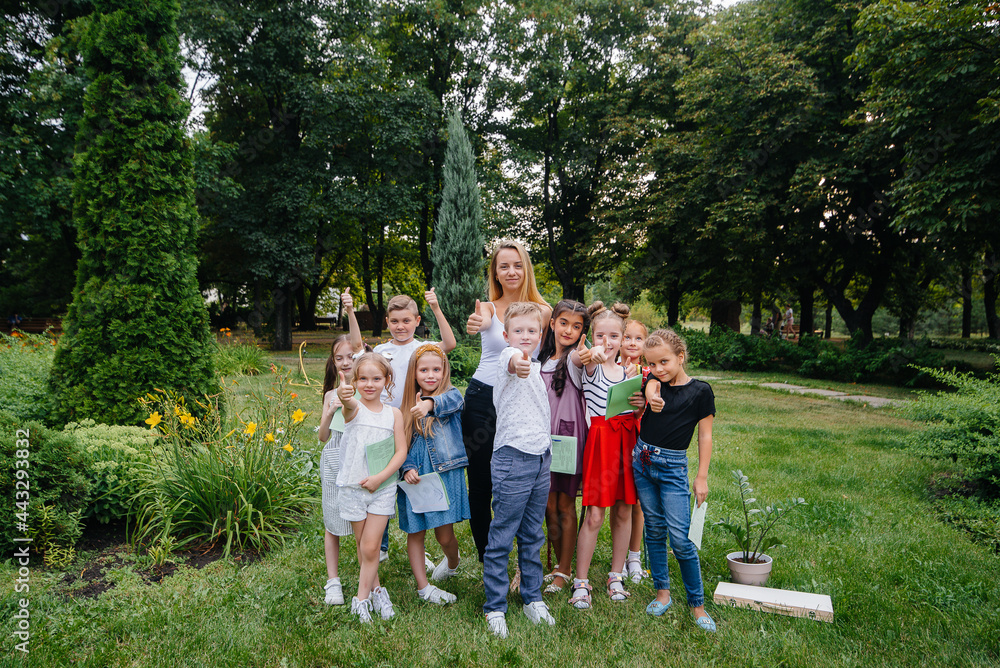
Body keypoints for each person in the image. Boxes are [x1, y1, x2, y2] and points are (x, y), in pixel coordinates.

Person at [343, 287, 456, 563]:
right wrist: (349, 310)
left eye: (406, 320)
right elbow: (357, 348)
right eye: (394, 321)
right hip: (381, 424)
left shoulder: (422, 348)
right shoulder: (382, 350)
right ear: (387, 322)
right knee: (378, 478)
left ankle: (418, 542)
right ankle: (379, 545)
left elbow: (449, 343)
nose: (400, 326)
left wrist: (436, 307)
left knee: (411, 479)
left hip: (413, 424)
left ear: (417, 321)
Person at [464, 240, 551, 563]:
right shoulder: (487, 308)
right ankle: (488, 558)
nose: (511, 271)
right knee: (481, 482)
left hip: (522, 406)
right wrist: (479, 322)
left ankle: (525, 559)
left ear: (525, 269)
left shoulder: (544, 311)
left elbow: (552, 356)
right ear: (496, 273)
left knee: (523, 482)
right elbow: (483, 321)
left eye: (517, 265)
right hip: (483, 401)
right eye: (504, 266)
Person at [483, 302, 557, 638]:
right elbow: (515, 362)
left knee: (533, 534)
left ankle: (532, 598)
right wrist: (518, 362)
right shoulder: (508, 358)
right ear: (506, 335)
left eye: (531, 330)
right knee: (502, 536)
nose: (525, 336)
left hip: (541, 458)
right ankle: (495, 606)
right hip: (513, 458)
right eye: (518, 330)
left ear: (540, 334)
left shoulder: (538, 366)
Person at [636, 329, 716, 632]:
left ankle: (697, 605)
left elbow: (705, 436)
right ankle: (663, 593)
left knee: (681, 540)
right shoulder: (653, 382)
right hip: (643, 462)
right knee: (654, 530)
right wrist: (650, 391)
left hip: (672, 469)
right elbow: (648, 382)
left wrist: (701, 477)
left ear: (680, 357)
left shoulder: (700, 391)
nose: (658, 369)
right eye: (651, 363)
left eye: (664, 362)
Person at [568, 301, 639, 609]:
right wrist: (590, 352)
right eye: (600, 335)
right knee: (595, 514)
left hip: (627, 442)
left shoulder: (629, 373)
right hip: (601, 442)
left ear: (622, 339)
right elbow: (582, 358)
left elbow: (634, 410)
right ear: (592, 336)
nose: (607, 343)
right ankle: (581, 581)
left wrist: (639, 405)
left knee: (624, 511)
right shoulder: (591, 365)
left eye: (614, 336)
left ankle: (615, 575)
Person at [336, 353, 408, 623]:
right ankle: (377, 591)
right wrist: (344, 396)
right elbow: (348, 405)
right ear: (355, 381)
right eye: (363, 379)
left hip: (383, 487)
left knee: (370, 545)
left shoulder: (394, 414)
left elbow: (400, 452)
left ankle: (360, 600)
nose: (369, 384)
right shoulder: (355, 409)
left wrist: (380, 478)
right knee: (364, 546)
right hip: (354, 487)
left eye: (376, 378)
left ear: (386, 380)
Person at [397, 344, 470, 605]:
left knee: (444, 536)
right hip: (417, 479)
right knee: (415, 532)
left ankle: (452, 562)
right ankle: (423, 587)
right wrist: (407, 467)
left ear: (444, 371)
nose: (430, 375)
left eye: (436, 370)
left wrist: (429, 404)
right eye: (424, 370)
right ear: (414, 373)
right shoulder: (406, 407)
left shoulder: (451, 397)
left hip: (444, 475)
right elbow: (402, 444)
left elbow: (451, 402)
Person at [538, 300, 590, 595]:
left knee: (565, 504)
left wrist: (587, 353)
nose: (569, 330)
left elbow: (584, 358)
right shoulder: (542, 359)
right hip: (542, 440)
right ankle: (559, 563)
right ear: (552, 323)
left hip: (568, 440)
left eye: (577, 326)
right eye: (563, 323)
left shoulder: (573, 360)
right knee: (548, 504)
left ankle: (566, 570)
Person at [316, 335, 358, 606]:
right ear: (333, 361)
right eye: (339, 357)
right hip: (334, 458)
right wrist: (330, 411)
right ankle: (333, 580)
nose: (345, 362)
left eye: (350, 357)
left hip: (359, 459)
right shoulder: (330, 395)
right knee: (332, 520)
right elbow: (322, 436)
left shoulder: (368, 388)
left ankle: (370, 579)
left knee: (361, 521)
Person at [620, 317, 649, 584]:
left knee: (638, 500)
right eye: (627, 337)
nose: (632, 342)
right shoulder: (611, 368)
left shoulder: (650, 374)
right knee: (620, 499)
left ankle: (634, 556)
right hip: (617, 438)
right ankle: (618, 557)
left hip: (641, 439)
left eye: (638, 338)